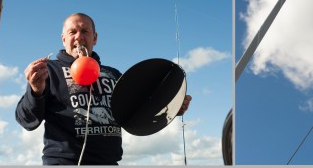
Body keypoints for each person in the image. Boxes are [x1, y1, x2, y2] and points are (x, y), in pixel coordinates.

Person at [15, 13, 192, 165]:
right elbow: (26, 120)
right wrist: (35, 91)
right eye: (72, 32)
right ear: (63, 39)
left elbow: (136, 112)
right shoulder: (49, 71)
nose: (79, 37)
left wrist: (171, 107)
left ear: (95, 38)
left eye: (85, 31)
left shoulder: (114, 74)